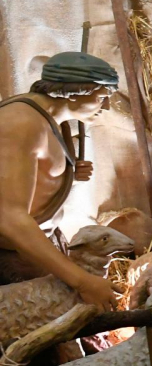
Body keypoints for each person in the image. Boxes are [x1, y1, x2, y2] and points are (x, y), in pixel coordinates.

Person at [0, 53, 119, 306]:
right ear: (74, 93)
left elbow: (30, 179)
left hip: (38, 246)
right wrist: (83, 281)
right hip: (13, 256)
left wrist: (68, 176)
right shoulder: (21, 123)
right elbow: (10, 218)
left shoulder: (51, 119)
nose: (105, 106)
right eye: (101, 97)